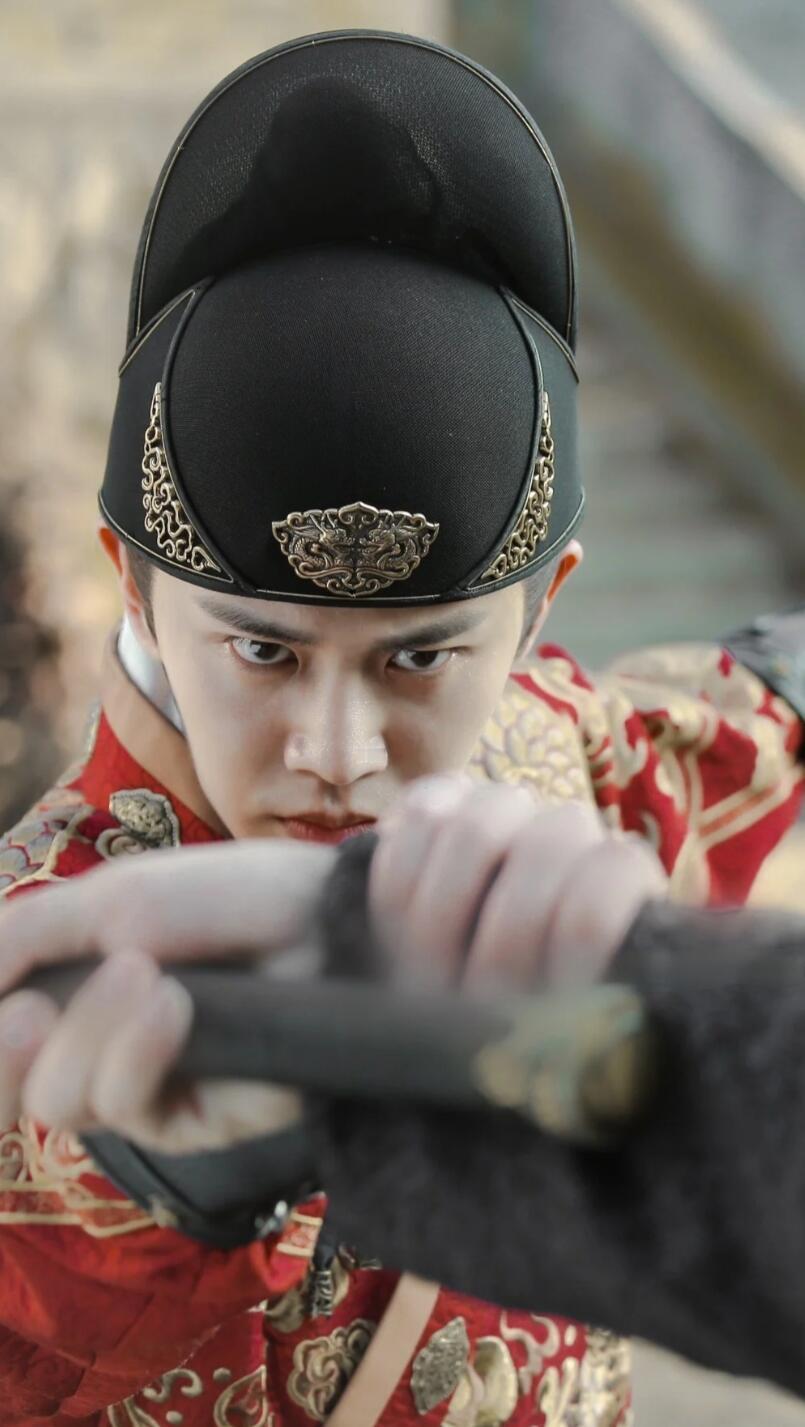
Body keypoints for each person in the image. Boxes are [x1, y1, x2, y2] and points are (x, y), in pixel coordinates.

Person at [0, 27, 803, 1427]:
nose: (338, 750)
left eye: (419, 658)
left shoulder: (564, 762)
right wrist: (161, 1167)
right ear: (131, 580)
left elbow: (750, 711)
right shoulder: (47, 950)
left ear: (540, 610)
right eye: (263, 649)